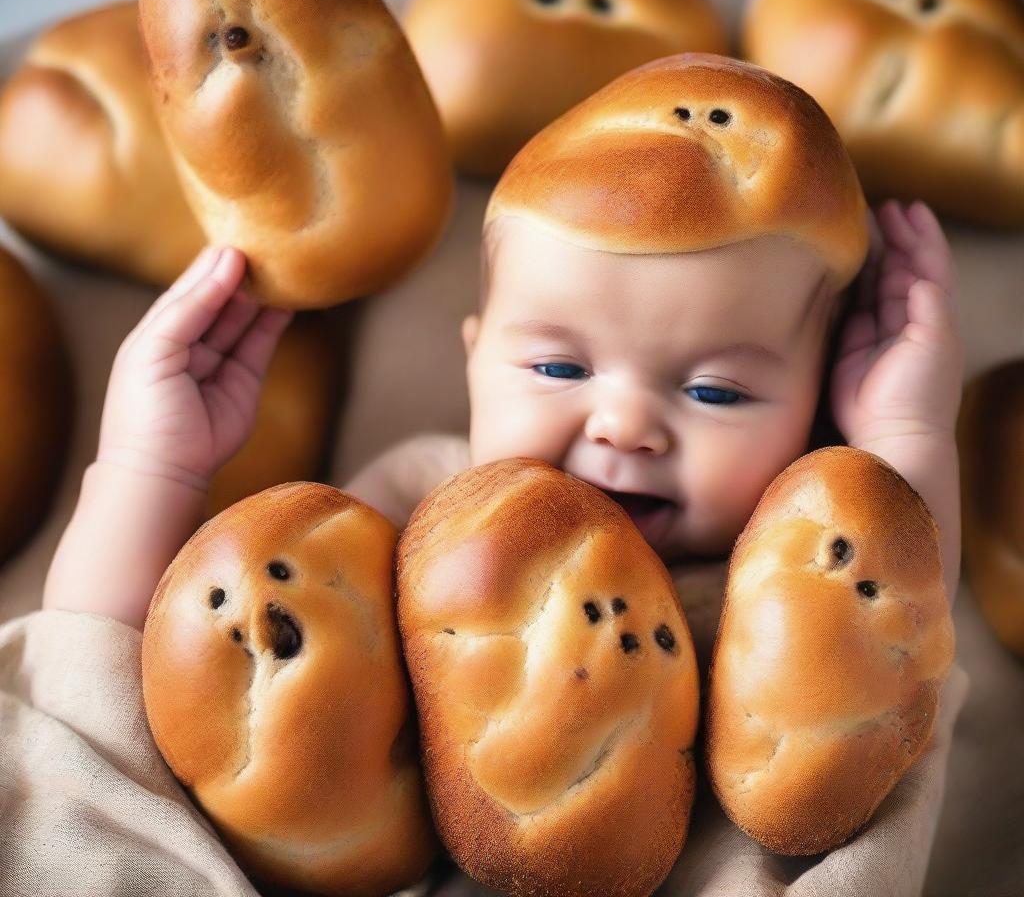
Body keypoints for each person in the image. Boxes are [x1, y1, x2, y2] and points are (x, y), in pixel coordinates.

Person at [9, 56, 965, 896]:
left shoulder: (783, 557)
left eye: (716, 391)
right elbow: (115, 667)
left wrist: (901, 430)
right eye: (557, 370)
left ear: (811, 411)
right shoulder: (426, 503)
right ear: (472, 361)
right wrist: (150, 465)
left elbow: (910, 634)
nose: (623, 423)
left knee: (871, 698)